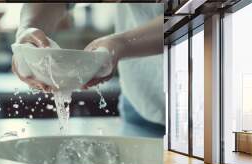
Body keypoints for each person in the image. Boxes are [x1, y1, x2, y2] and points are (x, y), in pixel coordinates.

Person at [11, 3, 165, 135]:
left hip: (186, 101)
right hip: (141, 102)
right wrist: (28, 28)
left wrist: (122, 44)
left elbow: (187, 13)